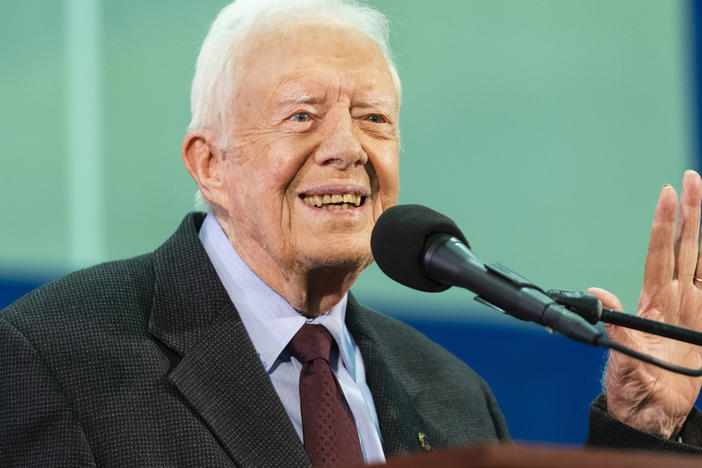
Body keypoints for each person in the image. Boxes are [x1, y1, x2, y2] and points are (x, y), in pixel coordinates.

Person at [1, 0, 702, 466]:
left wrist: (637, 428)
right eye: (302, 116)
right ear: (209, 164)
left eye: (374, 119)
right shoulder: (55, 358)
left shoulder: (455, 395)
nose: (348, 148)